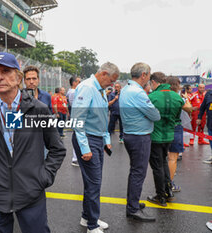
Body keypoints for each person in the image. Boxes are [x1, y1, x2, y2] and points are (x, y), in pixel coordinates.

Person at [0, 52, 66, 233]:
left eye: (6, 71)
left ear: (18, 77)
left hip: (31, 194)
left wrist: (43, 177)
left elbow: (57, 148)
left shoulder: (38, 109)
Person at [72, 62, 119, 233]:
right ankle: (92, 225)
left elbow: (102, 116)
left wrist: (106, 137)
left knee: (93, 183)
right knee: (94, 183)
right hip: (87, 139)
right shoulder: (87, 87)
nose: (112, 84)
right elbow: (77, 120)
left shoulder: (99, 90)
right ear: (104, 73)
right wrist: (85, 148)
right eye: (111, 80)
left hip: (97, 138)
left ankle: (87, 217)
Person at [120, 63, 160, 221]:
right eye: (149, 75)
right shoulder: (138, 92)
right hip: (139, 137)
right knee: (138, 173)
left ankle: (133, 203)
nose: (149, 78)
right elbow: (155, 115)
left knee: (135, 172)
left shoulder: (126, 89)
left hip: (131, 134)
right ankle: (133, 208)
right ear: (143, 74)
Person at [146, 72, 184, 207]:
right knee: (163, 163)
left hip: (155, 135)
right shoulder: (177, 97)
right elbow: (180, 113)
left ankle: (161, 195)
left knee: (157, 167)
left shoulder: (152, 96)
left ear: (154, 82)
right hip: (169, 135)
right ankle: (168, 191)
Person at [166, 76, 192, 192]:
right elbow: (189, 109)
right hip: (175, 127)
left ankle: (161, 183)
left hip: (160, 128)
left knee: (161, 158)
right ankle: (169, 184)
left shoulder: (157, 96)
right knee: (172, 158)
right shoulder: (178, 98)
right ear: (176, 85)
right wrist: (185, 99)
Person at [66, 77, 81, 166]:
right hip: (76, 116)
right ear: (74, 83)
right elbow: (74, 104)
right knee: (78, 136)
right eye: (79, 82)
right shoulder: (72, 92)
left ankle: (77, 157)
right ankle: (75, 158)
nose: (80, 83)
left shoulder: (72, 91)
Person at [197, 89, 212, 163]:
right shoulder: (208, 94)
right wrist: (199, 118)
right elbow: (202, 107)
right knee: (211, 140)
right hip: (210, 123)